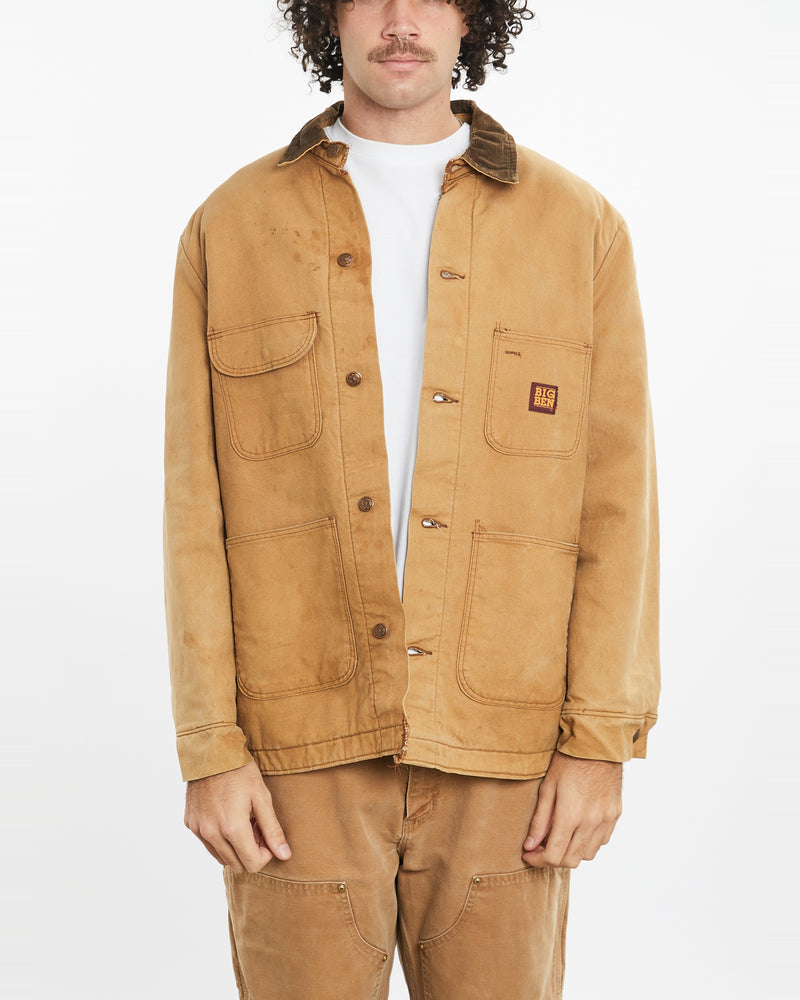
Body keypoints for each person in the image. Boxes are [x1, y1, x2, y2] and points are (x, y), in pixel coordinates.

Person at [163, 0, 660, 996]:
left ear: (475, 15)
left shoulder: (578, 228)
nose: (399, 20)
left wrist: (600, 744)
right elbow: (194, 511)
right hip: (296, 754)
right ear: (325, 14)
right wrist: (209, 749)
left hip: (506, 754)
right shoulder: (233, 225)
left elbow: (616, 505)